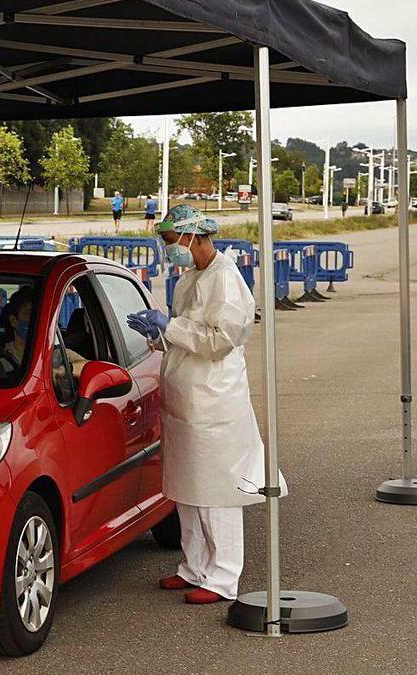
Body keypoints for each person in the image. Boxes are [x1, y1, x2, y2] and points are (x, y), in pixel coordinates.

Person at [125, 204, 284, 606]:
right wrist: (158, 335)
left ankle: (223, 577)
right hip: (185, 398)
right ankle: (195, 567)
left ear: (193, 236)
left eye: (169, 240)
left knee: (217, 490)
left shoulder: (225, 278)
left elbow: (220, 340)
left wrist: (171, 327)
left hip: (214, 401)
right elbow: (182, 335)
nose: (167, 248)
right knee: (188, 488)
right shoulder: (188, 278)